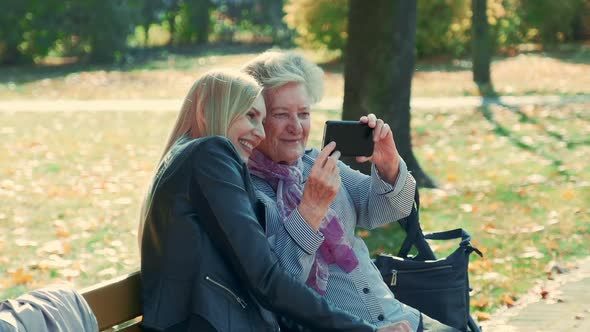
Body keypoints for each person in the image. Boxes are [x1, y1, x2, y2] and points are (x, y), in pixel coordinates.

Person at [138, 69, 411, 332]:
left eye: (304, 113)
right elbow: (268, 279)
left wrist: (389, 165)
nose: (259, 133)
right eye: (251, 116)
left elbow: (260, 279)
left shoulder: (190, 160)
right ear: (216, 111)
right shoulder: (211, 154)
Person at [242, 51, 459, 332]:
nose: (296, 127)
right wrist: (311, 209)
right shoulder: (249, 191)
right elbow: (278, 285)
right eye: (281, 114)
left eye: (304, 114)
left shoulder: (315, 163)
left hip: (399, 316)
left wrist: (389, 165)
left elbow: (386, 211)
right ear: (255, 119)